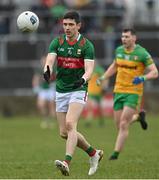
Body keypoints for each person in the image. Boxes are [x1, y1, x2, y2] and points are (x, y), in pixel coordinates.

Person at [43, 11, 103, 176]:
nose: (67, 28)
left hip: (78, 88)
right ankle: (93, 153)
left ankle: (66, 162)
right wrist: (46, 70)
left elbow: (90, 69)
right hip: (61, 89)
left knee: (70, 124)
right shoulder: (58, 41)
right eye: (65, 24)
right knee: (64, 132)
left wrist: (83, 80)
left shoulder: (86, 45)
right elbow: (50, 59)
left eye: (70, 25)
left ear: (78, 25)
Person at [97, 28, 158, 160]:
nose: (124, 39)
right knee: (118, 125)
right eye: (123, 37)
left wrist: (143, 78)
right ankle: (138, 118)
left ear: (134, 38)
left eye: (127, 37)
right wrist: (103, 77)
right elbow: (114, 66)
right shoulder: (119, 51)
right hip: (118, 90)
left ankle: (115, 154)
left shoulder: (142, 53)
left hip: (133, 92)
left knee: (124, 124)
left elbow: (155, 72)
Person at [32, 56, 56, 129]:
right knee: (41, 105)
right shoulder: (39, 70)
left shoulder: (53, 69)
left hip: (51, 89)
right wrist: (35, 87)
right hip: (42, 90)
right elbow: (35, 78)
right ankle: (45, 120)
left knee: (51, 106)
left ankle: (51, 122)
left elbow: (56, 78)